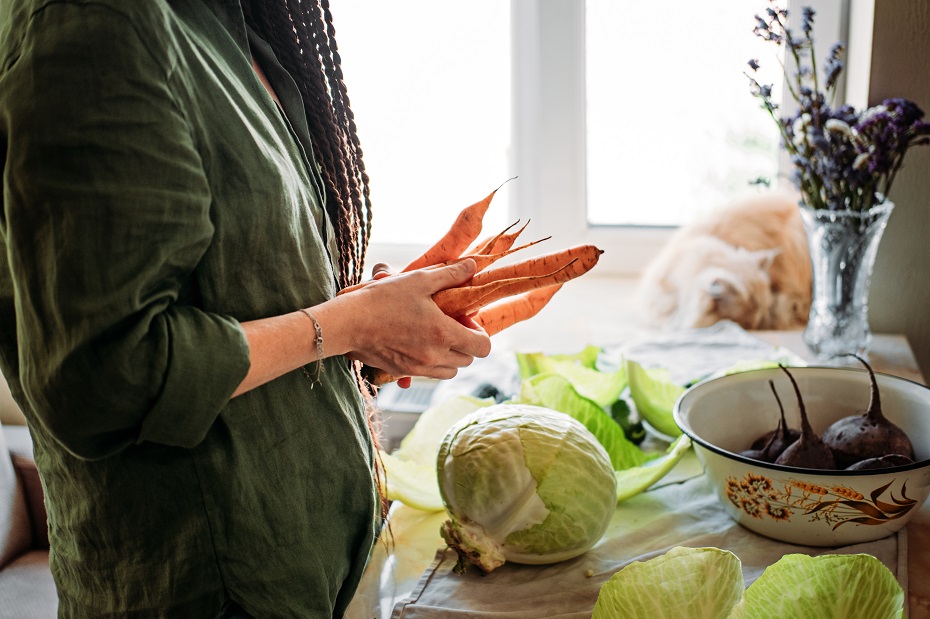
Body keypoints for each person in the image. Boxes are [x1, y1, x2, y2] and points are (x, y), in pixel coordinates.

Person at [0, 0, 491, 616]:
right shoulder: (99, 22)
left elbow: (238, 301)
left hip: (314, 567)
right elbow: (105, 375)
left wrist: (368, 332)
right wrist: (353, 322)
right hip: (212, 590)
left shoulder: (231, 25)